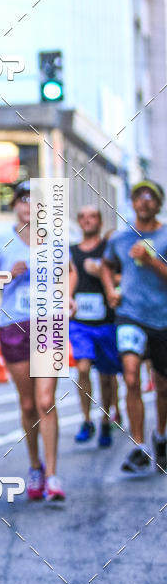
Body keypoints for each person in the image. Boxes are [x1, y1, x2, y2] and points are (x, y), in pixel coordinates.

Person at [0, 180, 65, 502]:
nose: (29, 206)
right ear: (14, 205)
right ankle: (35, 467)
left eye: (35, 200)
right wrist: (8, 275)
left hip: (48, 323)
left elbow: (69, 273)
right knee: (28, 404)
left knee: (46, 401)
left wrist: (68, 298)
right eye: (23, 199)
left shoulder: (56, 240)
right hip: (13, 326)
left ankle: (53, 476)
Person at [101, 180, 167, 474]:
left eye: (150, 196)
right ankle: (139, 446)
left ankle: (161, 436)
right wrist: (110, 291)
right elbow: (106, 265)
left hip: (162, 318)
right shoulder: (120, 238)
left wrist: (150, 260)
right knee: (130, 377)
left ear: (159, 203)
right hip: (130, 315)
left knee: (163, 386)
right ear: (132, 203)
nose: (144, 201)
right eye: (139, 196)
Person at [68, 206, 122, 447]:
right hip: (80, 323)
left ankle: (106, 419)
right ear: (79, 222)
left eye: (92, 217)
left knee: (107, 376)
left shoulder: (109, 249)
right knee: (82, 368)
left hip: (107, 322)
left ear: (100, 222)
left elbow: (122, 278)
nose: (87, 220)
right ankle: (86, 419)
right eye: (82, 217)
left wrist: (101, 272)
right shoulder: (71, 252)